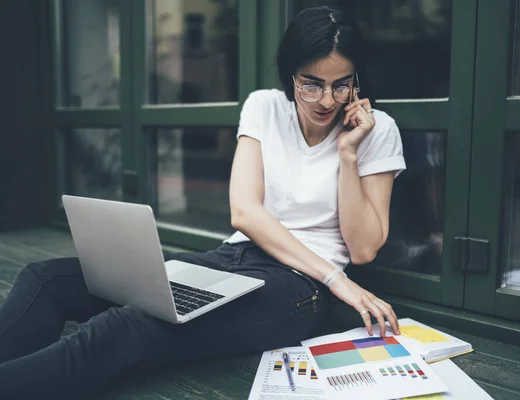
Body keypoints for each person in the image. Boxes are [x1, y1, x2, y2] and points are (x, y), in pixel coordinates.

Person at [0, 6, 406, 399]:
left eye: (342, 84)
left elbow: (364, 248)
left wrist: (349, 154)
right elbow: (244, 211)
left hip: (300, 288)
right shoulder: (264, 107)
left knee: (126, 327)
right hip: (231, 258)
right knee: (46, 279)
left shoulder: (377, 130)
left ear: (356, 81)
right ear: (290, 74)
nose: (327, 100)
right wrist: (340, 281)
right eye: (311, 83)